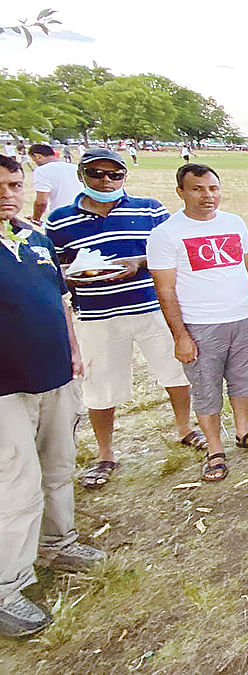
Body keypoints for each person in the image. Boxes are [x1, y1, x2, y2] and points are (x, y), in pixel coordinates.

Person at [43, 148, 201, 490]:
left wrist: (137, 263)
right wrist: (74, 274)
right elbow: (51, 269)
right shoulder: (59, 220)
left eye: (115, 174)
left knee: (176, 372)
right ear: (81, 176)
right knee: (100, 385)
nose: (107, 180)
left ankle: (186, 429)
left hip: (152, 307)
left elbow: (174, 251)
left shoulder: (149, 209)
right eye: (97, 174)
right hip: (97, 315)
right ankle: (105, 453)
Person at [0, 155, 106, 638]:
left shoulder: (34, 239)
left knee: (59, 464)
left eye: (15, 183)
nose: (8, 192)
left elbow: (60, 300)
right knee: (15, 482)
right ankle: (7, 585)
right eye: (0, 185)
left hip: (56, 375)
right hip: (6, 388)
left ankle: (58, 542)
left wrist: (73, 350)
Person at [147, 164, 248, 483]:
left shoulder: (234, 222)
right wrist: (181, 336)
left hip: (241, 319)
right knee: (206, 389)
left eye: (213, 188)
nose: (208, 195)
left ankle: (243, 432)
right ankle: (215, 450)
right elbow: (164, 289)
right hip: (200, 325)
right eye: (198, 189)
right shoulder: (166, 233)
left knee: (243, 380)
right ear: (181, 192)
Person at [29, 144, 84, 226]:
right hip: (83, 213)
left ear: (38, 156)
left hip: (62, 217)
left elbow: (41, 202)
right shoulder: (74, 167)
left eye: (34, 160)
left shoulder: (41, 171)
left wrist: (35, 219)